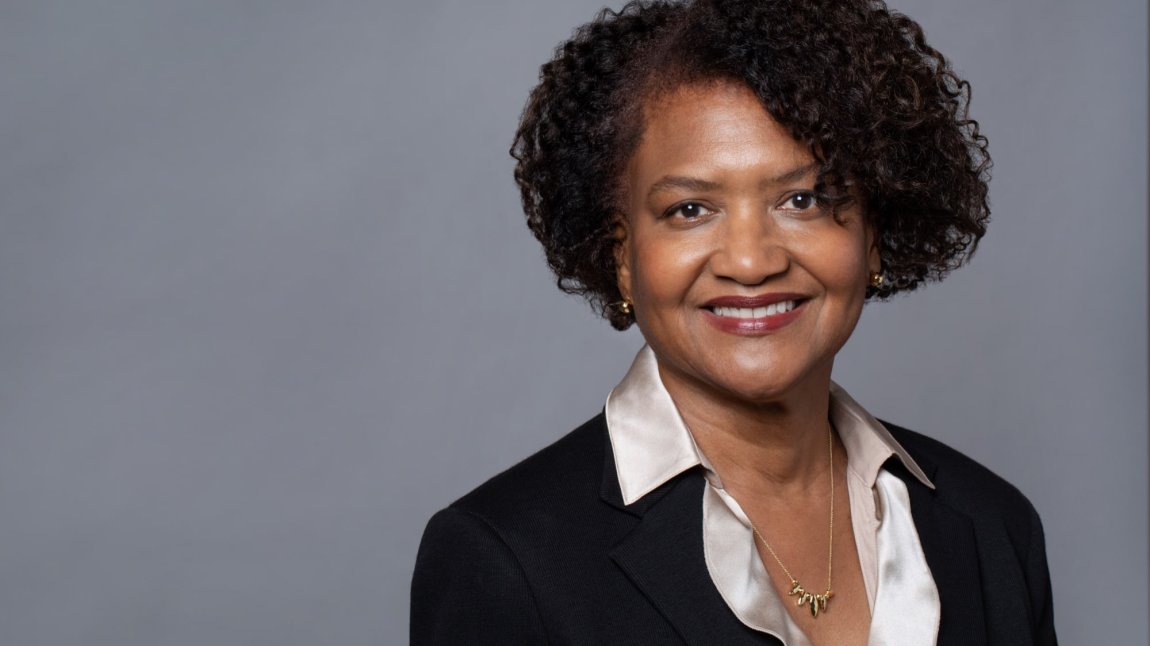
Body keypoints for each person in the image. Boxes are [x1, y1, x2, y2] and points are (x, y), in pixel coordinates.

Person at [410, 0, 1057, 644]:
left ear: (874, 237)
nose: (751, 261)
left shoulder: (992, 525)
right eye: (691, 208)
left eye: (802, 199)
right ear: (623, 257)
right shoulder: (506, 559)